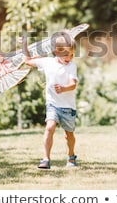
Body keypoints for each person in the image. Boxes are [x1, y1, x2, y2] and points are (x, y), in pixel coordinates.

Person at [24, 31, 79, 169]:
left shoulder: (72, 66)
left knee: (69, 135)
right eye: (66, 54)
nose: (69, 58)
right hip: (53, 104)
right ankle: (46, 159)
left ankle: (71, 157)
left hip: (68, 107)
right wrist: (24, 44)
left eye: (72, 54)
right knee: (49, 127)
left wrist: (64, 88)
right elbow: (27, 61)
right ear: (56, 51)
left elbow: (73, 84)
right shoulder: (47, 62)